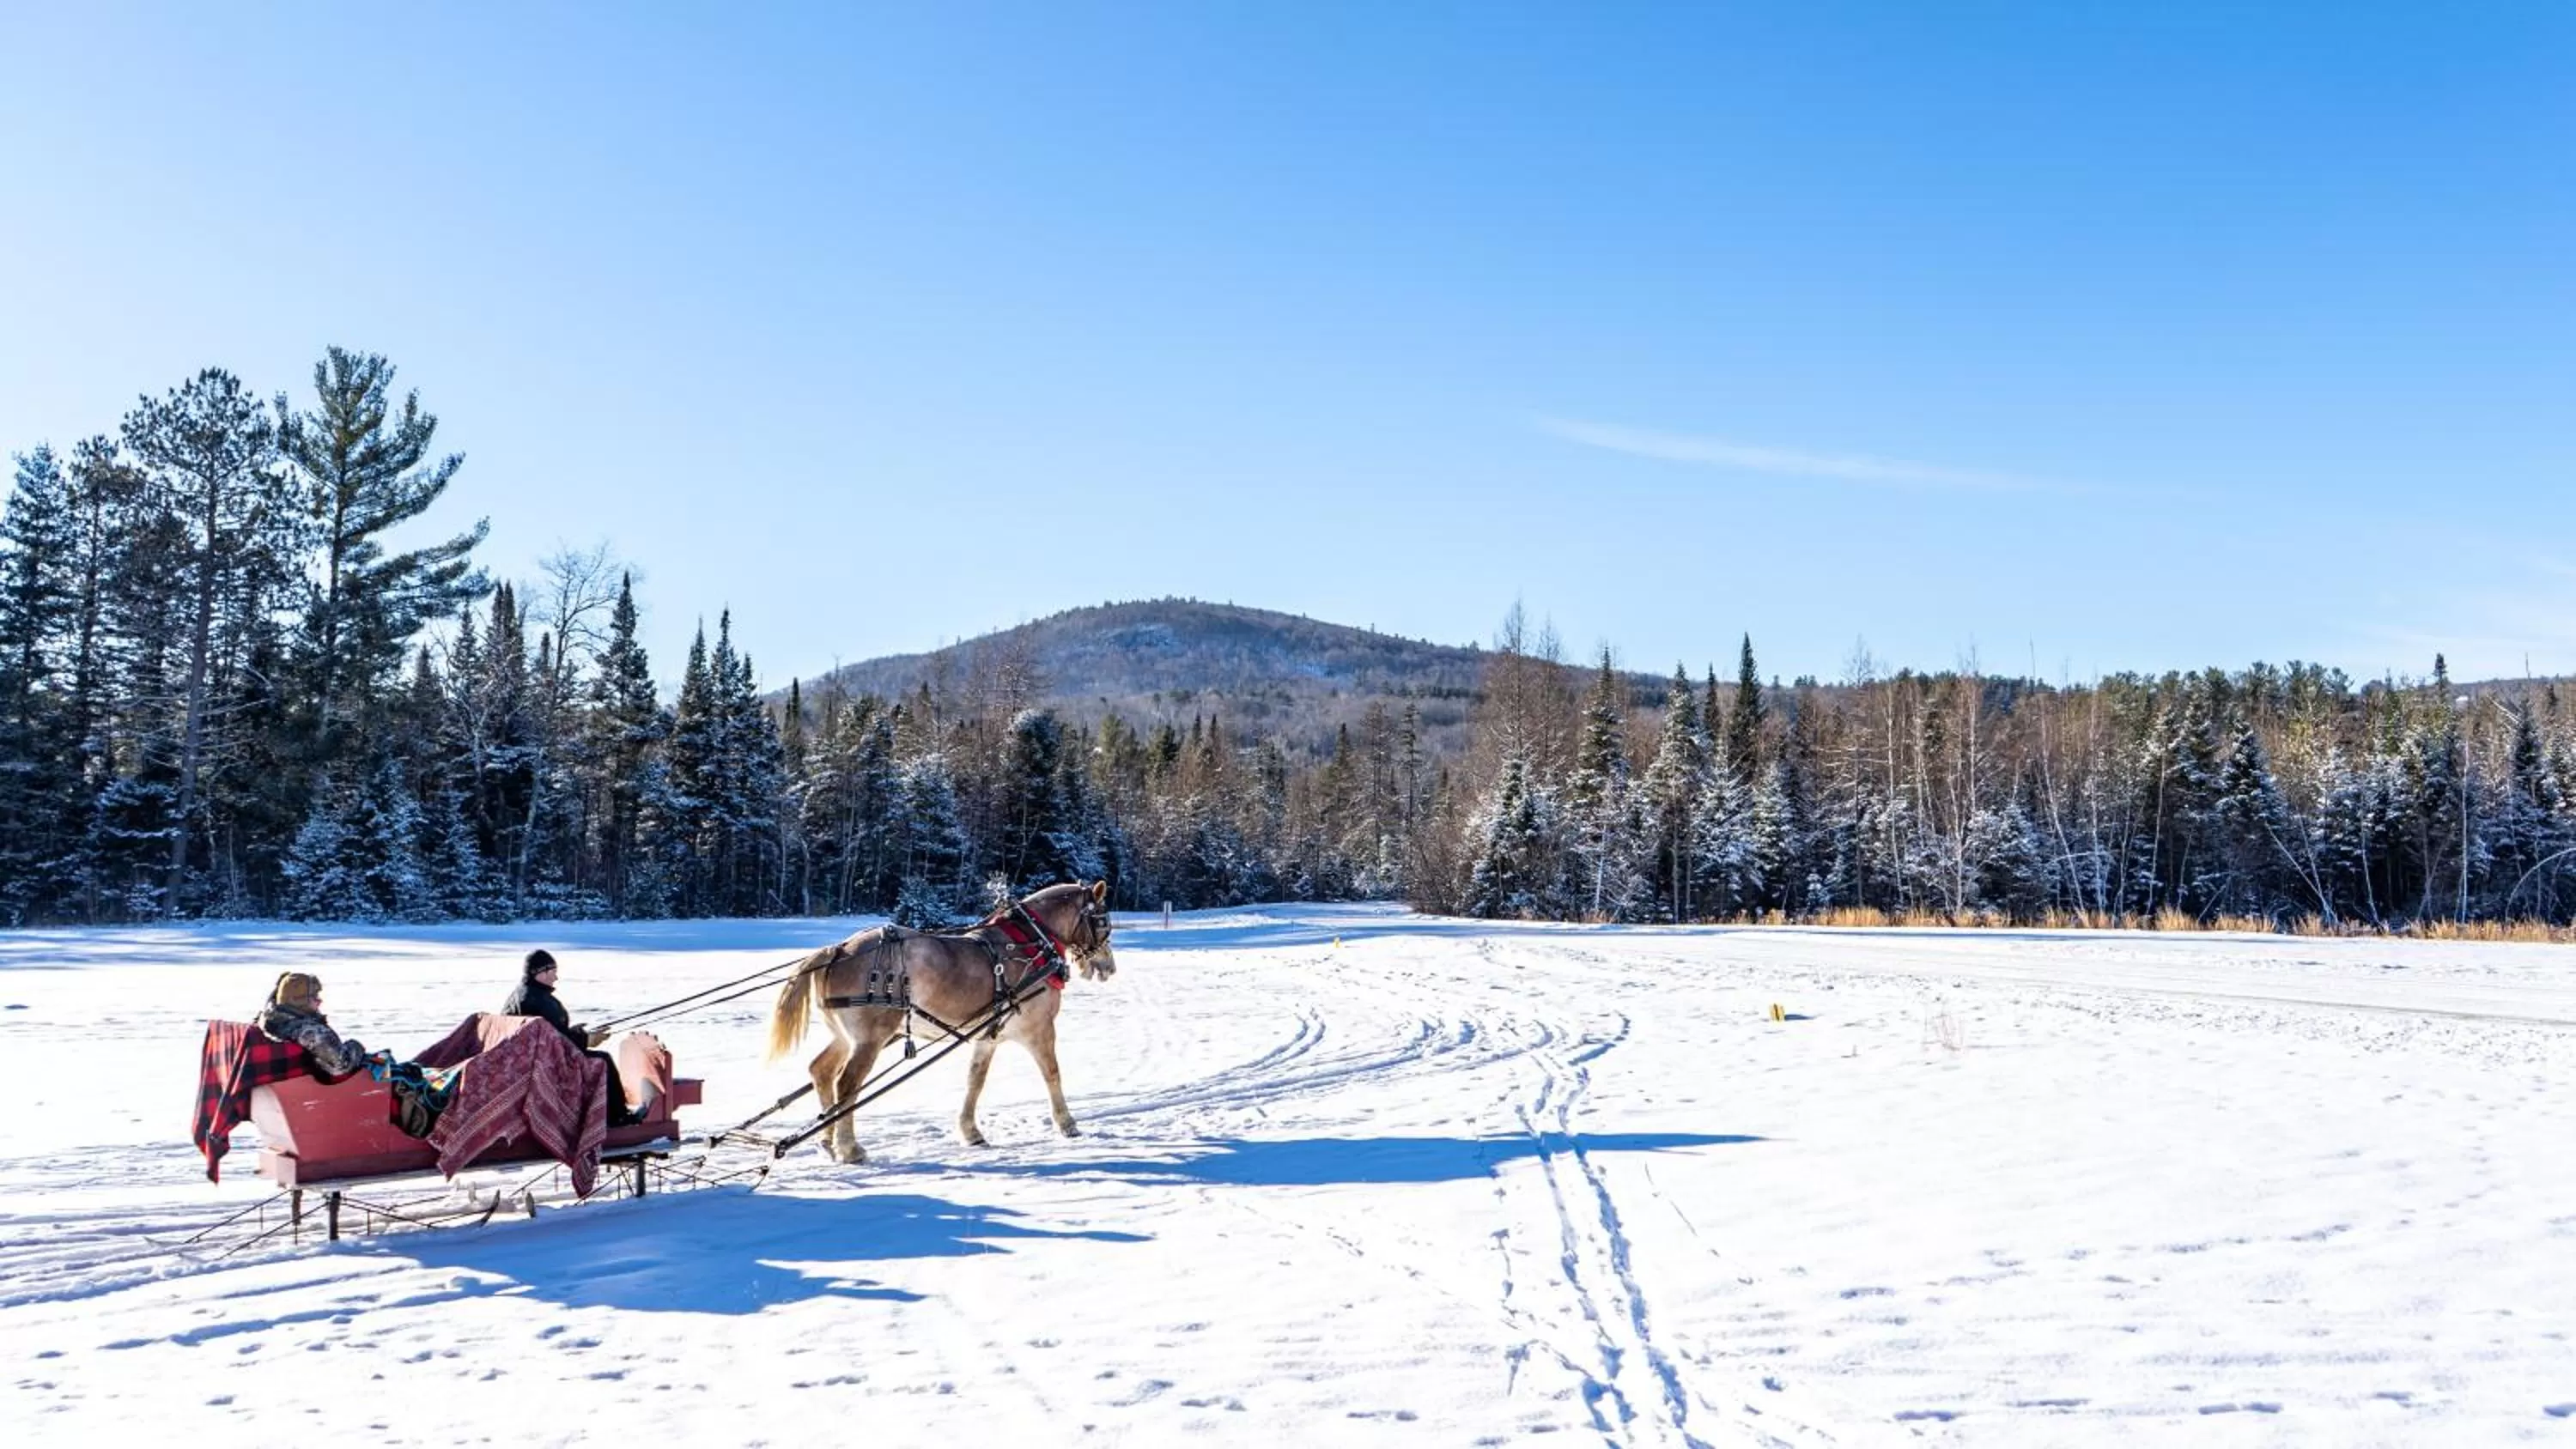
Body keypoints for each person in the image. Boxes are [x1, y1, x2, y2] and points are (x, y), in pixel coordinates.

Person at [501, 949, 637, 1125]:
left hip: (532, 1059)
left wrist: (576, 1032)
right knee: (603, 1060)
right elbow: (556, 1041)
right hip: (547, 1063)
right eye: (553, 972)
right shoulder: (538, 1000)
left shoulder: (521, 994)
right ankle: (618, 1117)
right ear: (541, 972)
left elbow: (552, 1033)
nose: (556, 978)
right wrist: (586, 1039)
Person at [254, 972, 381, 1079]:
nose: (320, 1001)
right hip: (315, 1088)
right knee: (385, 1065)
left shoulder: (270, 1019)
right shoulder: (310, 1032)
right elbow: (342, 1065)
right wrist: (356, 1046)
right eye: (314, 997)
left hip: (288, 1082)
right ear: (300, 1000)